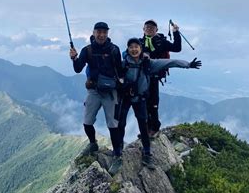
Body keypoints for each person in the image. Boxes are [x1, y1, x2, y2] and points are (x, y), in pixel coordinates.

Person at [110, 37, 201, 174]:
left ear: (141, 49)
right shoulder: (123, 64)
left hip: (140, 99)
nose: (134, 49)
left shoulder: (148, 63)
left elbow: (170, 62)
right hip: (126, 98)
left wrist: (187, 64)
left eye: (136, 47)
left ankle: (147, 154)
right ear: (128, 50)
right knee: (120, 124)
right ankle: (118, 153)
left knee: (143, 125)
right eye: (131, 47)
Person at [69, 22, 123, 158]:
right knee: (87, 122)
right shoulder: (87, 50)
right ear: (93, 33)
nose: (101, 35)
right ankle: (93, 144)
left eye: (104, 32)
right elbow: (77, 68)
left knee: (113, 125)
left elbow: (120, 71)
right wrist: (74, 58)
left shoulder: (114, 50)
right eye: (99, 32)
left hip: (111, 92)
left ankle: (117, 153)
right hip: (93, 90)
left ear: (107, 34)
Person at [140, 19, 182, 137]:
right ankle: (147, 129)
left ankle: (154, 127)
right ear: (143, 29)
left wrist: (176, 32)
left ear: (156, 30)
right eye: (147, 27)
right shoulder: (139, 42)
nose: (149, 29)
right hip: (142, 77)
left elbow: (177, 48)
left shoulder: (161, 42)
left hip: (154, 76)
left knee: (153, 101)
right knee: (144, 102)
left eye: (152, 28)